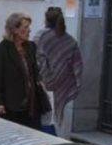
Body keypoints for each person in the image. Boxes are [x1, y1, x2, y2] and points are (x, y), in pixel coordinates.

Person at [0, 12, 51, 129]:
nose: (29, 30)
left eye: (29, 27)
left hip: (32, 105)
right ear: (15, 30)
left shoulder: (31, 47)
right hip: (11, 106)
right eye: (26, 27)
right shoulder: (1, 50)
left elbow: (34, 72)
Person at [35, 7, 83, 137]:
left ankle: (47, 140)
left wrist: (44, 73)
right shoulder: (70, 40)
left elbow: (33, 58)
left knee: (45, 117)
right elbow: (77, 65)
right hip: (63, 84)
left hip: (43, 84)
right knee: (59, 118)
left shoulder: (40, 36)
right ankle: (59, 140)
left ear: (46, 20)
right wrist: (75, 81)